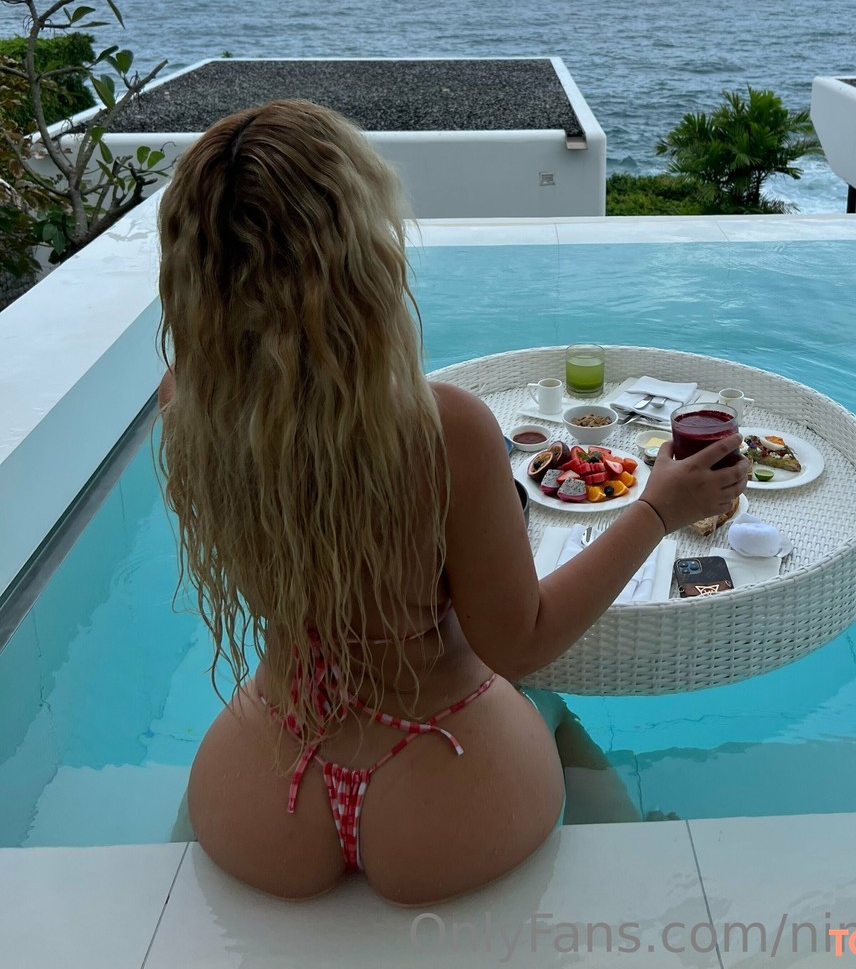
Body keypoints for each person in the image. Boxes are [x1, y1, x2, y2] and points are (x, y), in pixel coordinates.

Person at [156, 100, 748, 903]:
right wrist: (656, 510)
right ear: (362, 258)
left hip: (267, 784)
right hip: (441, 778)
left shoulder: (188, 406)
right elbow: (520, 641)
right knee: (549, 706)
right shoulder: (442, 429)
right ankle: (641, 849)